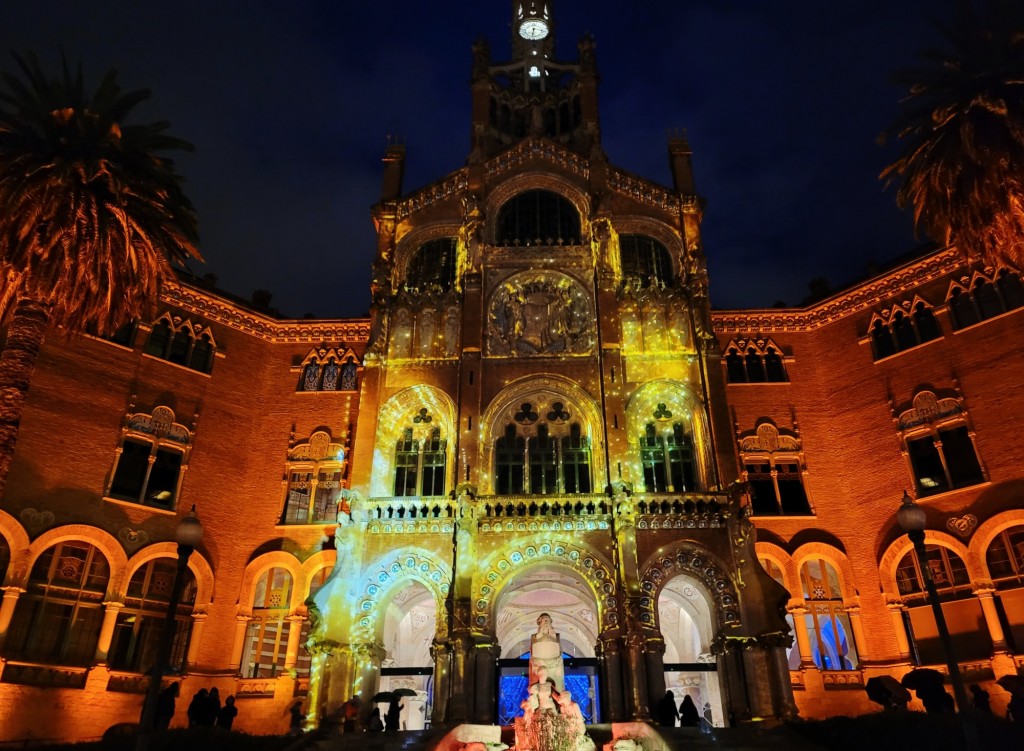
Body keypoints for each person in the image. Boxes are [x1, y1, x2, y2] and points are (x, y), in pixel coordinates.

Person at [529, 613, 565, 691]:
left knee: (558, 686)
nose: (546, 622)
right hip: (538, 664)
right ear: (539, 622)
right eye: (544, 620)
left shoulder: (556, 636)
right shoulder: (534, 637)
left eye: (548, 621)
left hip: (555, 666)